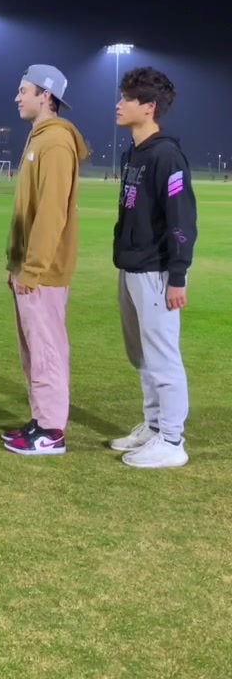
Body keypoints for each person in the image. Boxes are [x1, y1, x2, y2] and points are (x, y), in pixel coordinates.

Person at [111, 66, 197, 469]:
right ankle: (154, 425)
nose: (119, 104)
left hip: (158, 272)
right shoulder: (133, 153)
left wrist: (178, 276)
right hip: (131, 268)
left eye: (128, 98)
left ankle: (173, 440)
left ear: (149, 107)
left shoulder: (167, 155)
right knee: (142, 356)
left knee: (163, 357)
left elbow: (181, 220)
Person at [2, 65, 89, 457]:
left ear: (46, 95)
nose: (17, 97)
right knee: (35, 350)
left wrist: (33, 268)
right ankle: (41, 422)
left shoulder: (55, 142)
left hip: (44, 272)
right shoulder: (40, 137)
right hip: (29, 267)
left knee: (47, 349)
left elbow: (52, 212)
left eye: (24, 91)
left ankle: (52, 432)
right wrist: (16, 262)